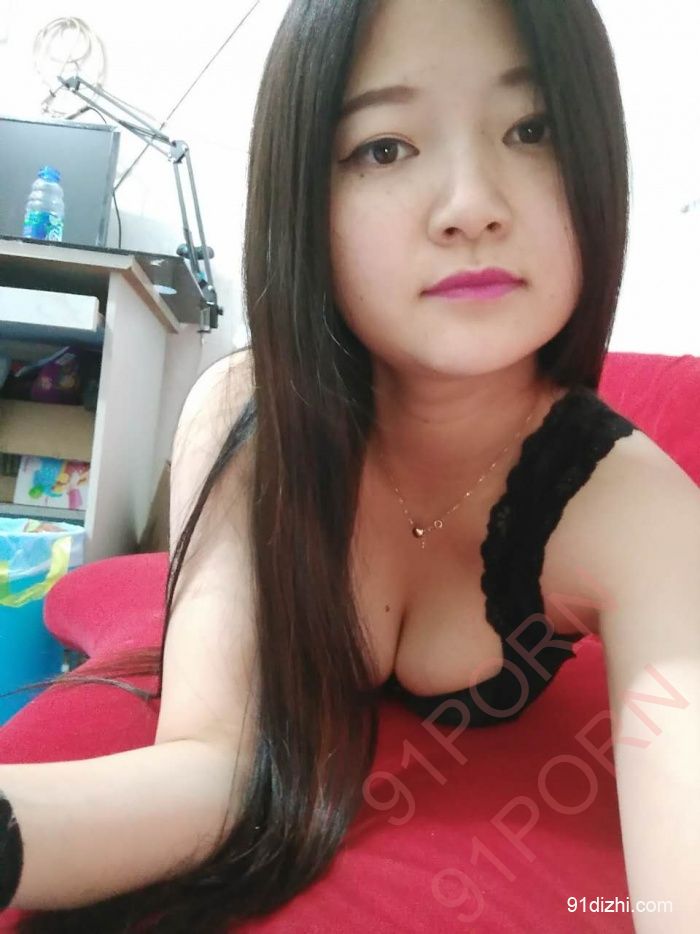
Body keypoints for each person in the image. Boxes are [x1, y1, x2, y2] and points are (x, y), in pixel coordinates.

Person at [1, 0, 699, 931]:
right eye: (384, 147)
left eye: (532, 129)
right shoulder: (249, 417)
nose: (473, 205)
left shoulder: (642, 514)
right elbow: (211, 770)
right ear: (304, 197)